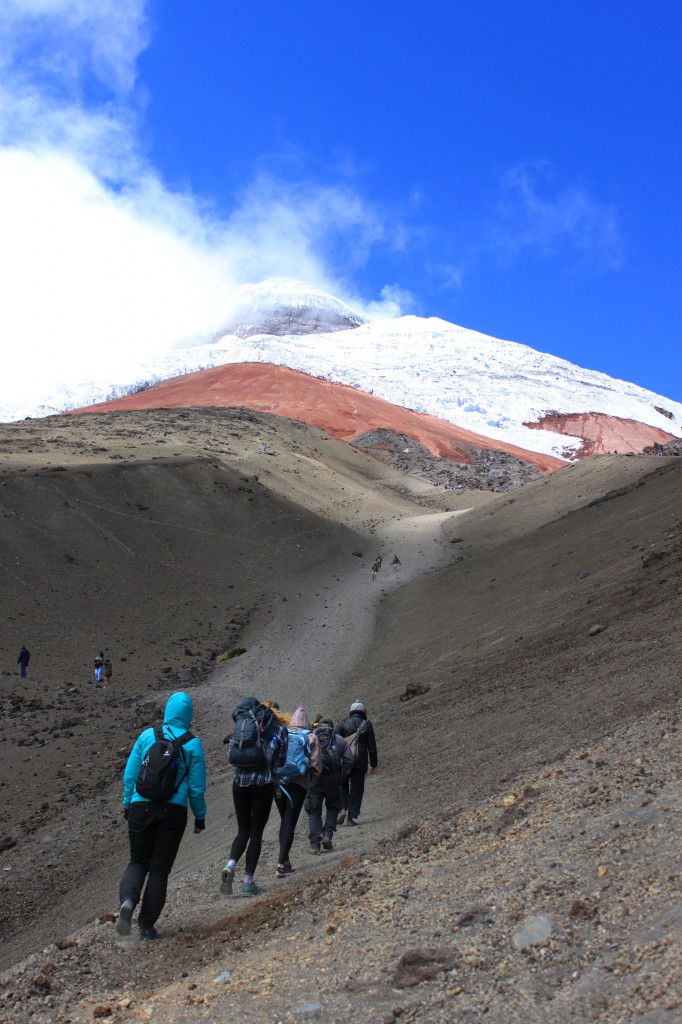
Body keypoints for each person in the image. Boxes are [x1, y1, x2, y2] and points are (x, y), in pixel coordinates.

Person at [116, 691, 207, 940]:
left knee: (137, 862)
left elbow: (130, 776)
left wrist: (127, 804)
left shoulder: (148, 735)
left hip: (140, 807)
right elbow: (197, 789)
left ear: (167, 710)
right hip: (173, 812)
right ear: (188, 714)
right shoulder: (192, 744)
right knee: (159, 870)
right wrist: (200, 818)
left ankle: (127, 902)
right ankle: (146, 926)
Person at [221, 698, 288, 897]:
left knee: (243, 830)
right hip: (263, 784)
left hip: (239, 782)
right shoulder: (277, 728)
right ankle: (248, 882)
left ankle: (230, 865)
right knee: (256, 832)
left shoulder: (244, 726)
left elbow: (231, 754)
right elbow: (281, 759)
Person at [273, 706, 321, 878]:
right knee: (289, 822)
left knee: (284, 821)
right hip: (298, 785)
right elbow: (316, 766)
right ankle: (280, 865)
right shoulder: (310, 736)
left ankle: (285, 862)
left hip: (278, 783)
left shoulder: (282, 732)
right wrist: (309, 783)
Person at [305, 718, 353, 853]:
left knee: (314, 812)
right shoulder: (338, 739)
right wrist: (342, 776)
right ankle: (327, 836)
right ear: (332, 727)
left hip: (315, 779)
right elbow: (349, 759)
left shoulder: (311, 738)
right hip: (333, 779)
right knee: (332, 807)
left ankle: (315, 845)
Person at [335, 700, 378, 826]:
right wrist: (374, 764)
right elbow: (372, 747)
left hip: (345, 760)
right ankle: (351, 818)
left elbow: (335, 741)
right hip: (360, 761)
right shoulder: (367, 724)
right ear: (362, 711)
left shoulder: (342, 723)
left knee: (342, 786)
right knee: (357, 789)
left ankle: (342, 809)